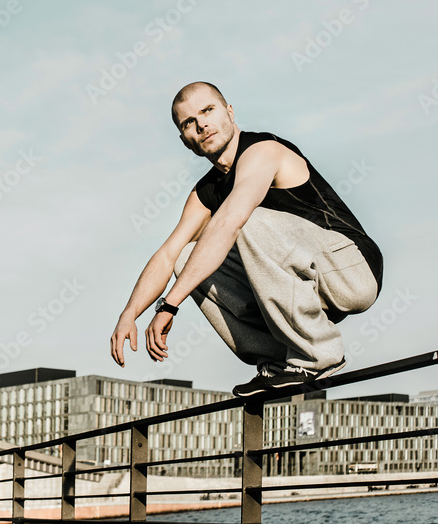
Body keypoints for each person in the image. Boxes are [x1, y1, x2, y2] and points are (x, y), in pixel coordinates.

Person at [109, 82, 383, 396]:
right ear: (185, 139)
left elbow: (231, 221)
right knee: (187, 256)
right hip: (304, 285)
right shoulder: (204, 193)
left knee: (241, 220)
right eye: (188, 123)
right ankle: (280, 360)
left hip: (350, 270)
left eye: (207, 110)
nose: (201, 125)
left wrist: (170, 306)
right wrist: (129, 313)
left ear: (229, 111)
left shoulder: (263, 150)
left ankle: (318, 356)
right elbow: (167, 255)